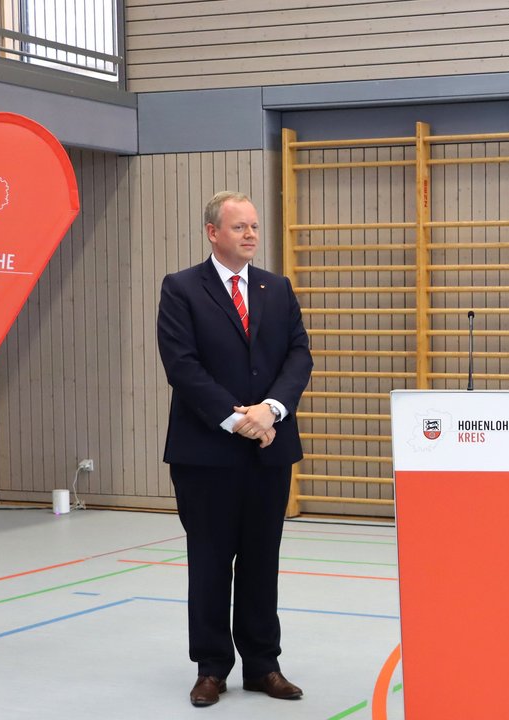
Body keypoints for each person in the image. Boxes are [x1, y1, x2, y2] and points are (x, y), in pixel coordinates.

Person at [157, 190, 313, 707]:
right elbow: (182, 365)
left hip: (270, 448)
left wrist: (271, 410)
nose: (250, 235)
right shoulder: (181, 289)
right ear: (213, 233)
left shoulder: (277, 287)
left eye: (253, 226)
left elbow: (298, 356)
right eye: (239, 227)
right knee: (209, 560)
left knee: (261, 560)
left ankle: (263, 665)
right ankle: (211, 667)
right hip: (205, 454)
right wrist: (237, 420)